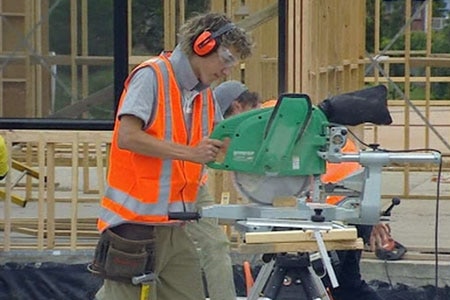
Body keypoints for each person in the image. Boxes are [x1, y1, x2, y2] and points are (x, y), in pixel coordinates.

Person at [90, 12, 253, 300]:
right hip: (134, 225)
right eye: (226, 59)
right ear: (202, 45)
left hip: (176, 225)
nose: (227, 71)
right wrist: (191, 153)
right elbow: (127, 137)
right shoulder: (152, 75)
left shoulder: (202, 94)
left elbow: (217, 144)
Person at [185, 80, 260, 300]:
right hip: (181, 185)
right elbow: (233, 148)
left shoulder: (260, 116)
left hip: (192, 185)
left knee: (206, 246)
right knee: (213, 245)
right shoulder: (212, 124)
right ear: (237, 108)